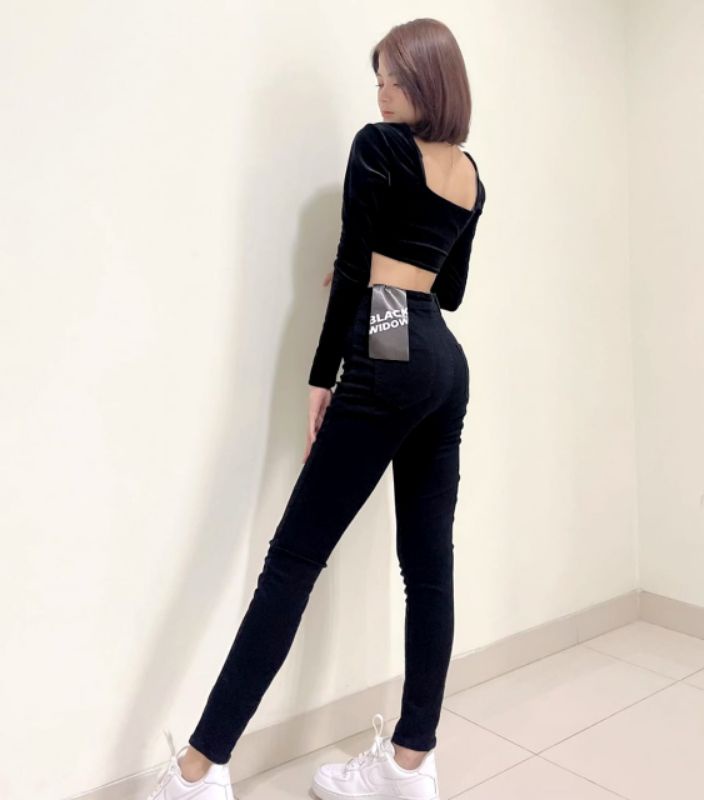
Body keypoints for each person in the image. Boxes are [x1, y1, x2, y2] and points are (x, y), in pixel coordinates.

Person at [145, 17, 486, 800]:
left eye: (396, 77)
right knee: (428, 567)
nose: (382, 91)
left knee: (293, 561)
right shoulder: (470, 173)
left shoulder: (380, 146)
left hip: (391, 338)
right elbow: (452, 290)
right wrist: (390, 272)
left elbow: (354, 265)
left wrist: (321, 374)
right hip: (441, 355)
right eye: (379, 78)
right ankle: (411, 763)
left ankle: (200, 769)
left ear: (429, 81)